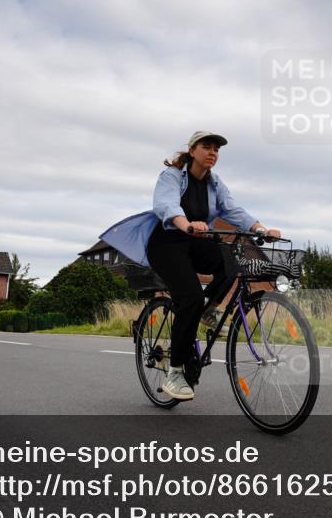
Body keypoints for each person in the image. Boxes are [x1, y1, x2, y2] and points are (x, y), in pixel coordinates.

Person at [100, 131, 280, 401]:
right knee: (190, 298)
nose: (213, 153)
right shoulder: (173, 176)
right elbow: (166, 205)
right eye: (207, 147)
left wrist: (259, 228)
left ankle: (208, 311)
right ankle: (174, 371)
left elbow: (232, 209)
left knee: (231, 263)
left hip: (196, 241)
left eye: (216, 150)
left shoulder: (214, 183)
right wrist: (185, 223)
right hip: (166, 243)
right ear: (192, 150)